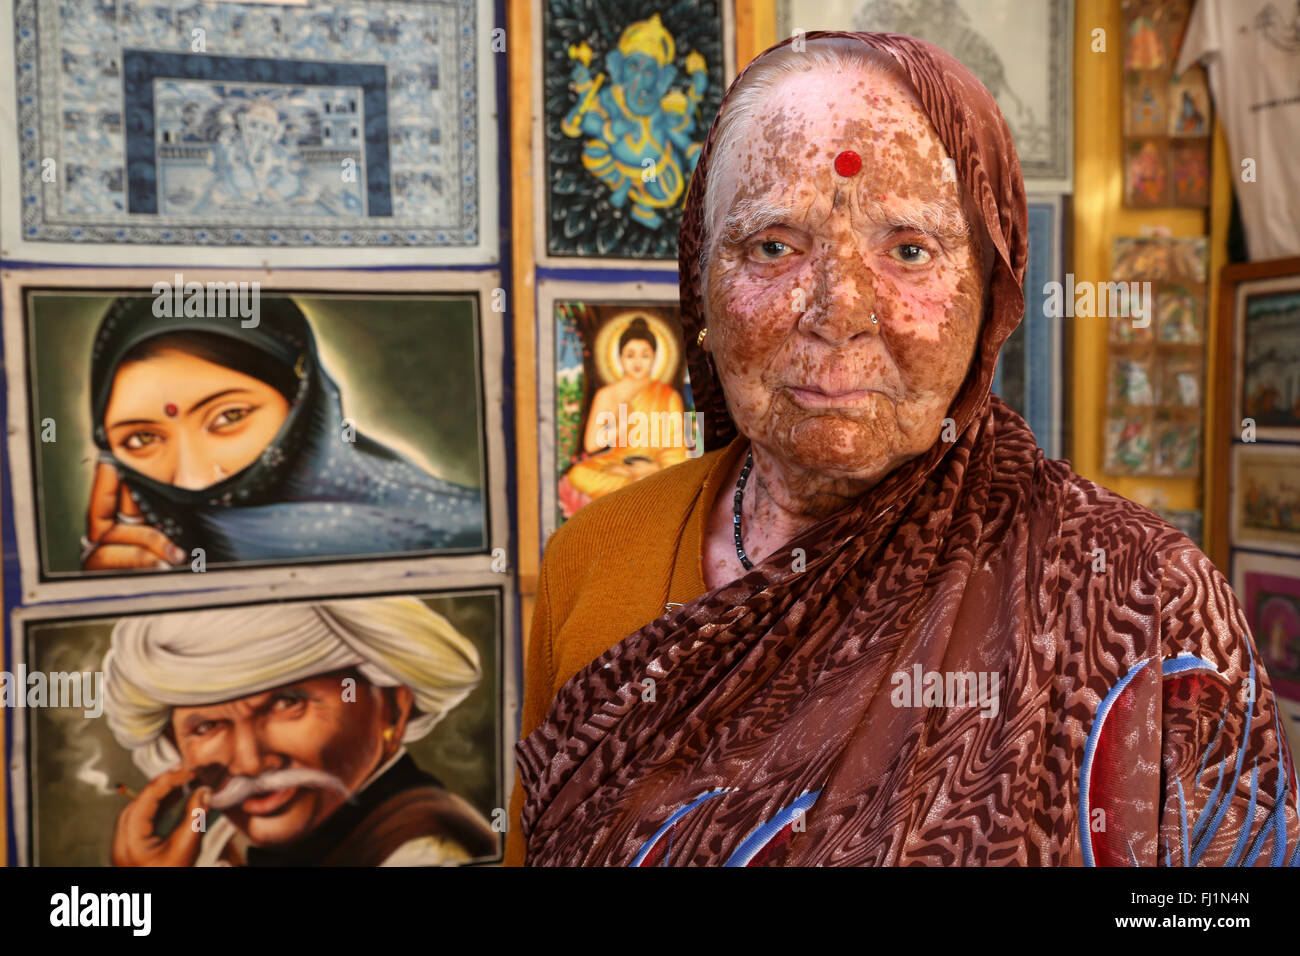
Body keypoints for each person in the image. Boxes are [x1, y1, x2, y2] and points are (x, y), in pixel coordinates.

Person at [505, 31, 1300, 866]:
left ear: (991, 293)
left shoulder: (1146, 598)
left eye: (910, 250)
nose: (839, 308)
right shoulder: (594, 558)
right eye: (774, 245)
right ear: (699, 280)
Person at [82, 295, 484, 570]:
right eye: (141, 439)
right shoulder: (145, 560)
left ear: (303, 402)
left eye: (229, 416)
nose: (194, 478)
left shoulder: (469, 535)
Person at [103, 597, 498, 866]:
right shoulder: (216, 841)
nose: (251, 762)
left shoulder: (427, 853)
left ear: (394, 707)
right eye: (207, 726)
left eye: (287, 703)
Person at [560, 316, 690, 513]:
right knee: (578, 474)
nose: (637, 362)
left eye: (645, 355)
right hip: (615, 464)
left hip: (654, 468)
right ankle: (637, 490)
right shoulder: (607, 394)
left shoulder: (668, 396)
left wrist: (653, 469)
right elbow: (592, 444)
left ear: (655, 357)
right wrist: (622, 427)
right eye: (630, 355)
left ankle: (634, 489)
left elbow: (676, 453)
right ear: (620, 358)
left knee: (677, 478)